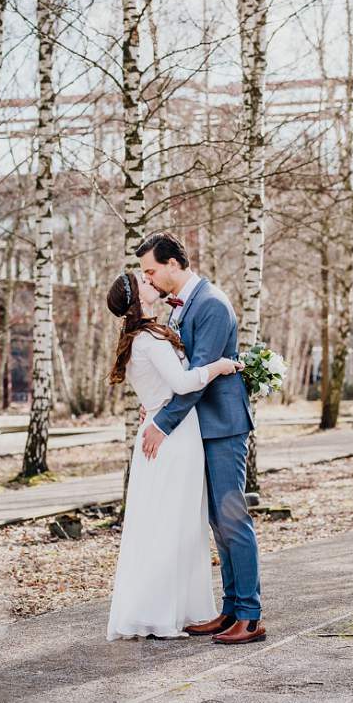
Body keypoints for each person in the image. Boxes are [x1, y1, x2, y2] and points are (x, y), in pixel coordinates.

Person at [104, 268, 243, 640]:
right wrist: (221, 366)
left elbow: (158, 385)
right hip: (173, 438)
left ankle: (172, 607)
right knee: (173, 524)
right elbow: (182, 383)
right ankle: (160, 612)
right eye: (144, 282)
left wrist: (152, 408)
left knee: (169, 523)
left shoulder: (144, 335)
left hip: (166, 432)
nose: (152, 283)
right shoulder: (148, 338)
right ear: (137, 299)